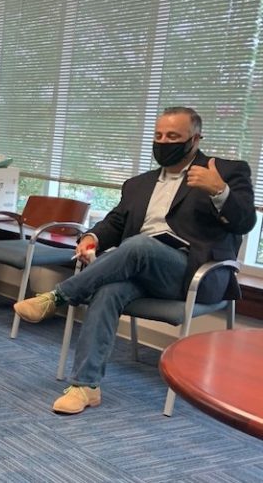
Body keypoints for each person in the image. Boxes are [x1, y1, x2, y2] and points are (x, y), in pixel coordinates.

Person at [13, 106, 255, 415]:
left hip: (192, 273)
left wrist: (219, 190)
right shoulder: (139, 183)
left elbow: (245, 222)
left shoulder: (225, 171)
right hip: (141, 268)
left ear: (195, 139)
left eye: (173, 136)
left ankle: (58, 297)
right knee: (108, 290)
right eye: (158, 135)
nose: (163, 142)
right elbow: (115, 222)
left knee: (140, 245)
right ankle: (86, 386)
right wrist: (92, 238)